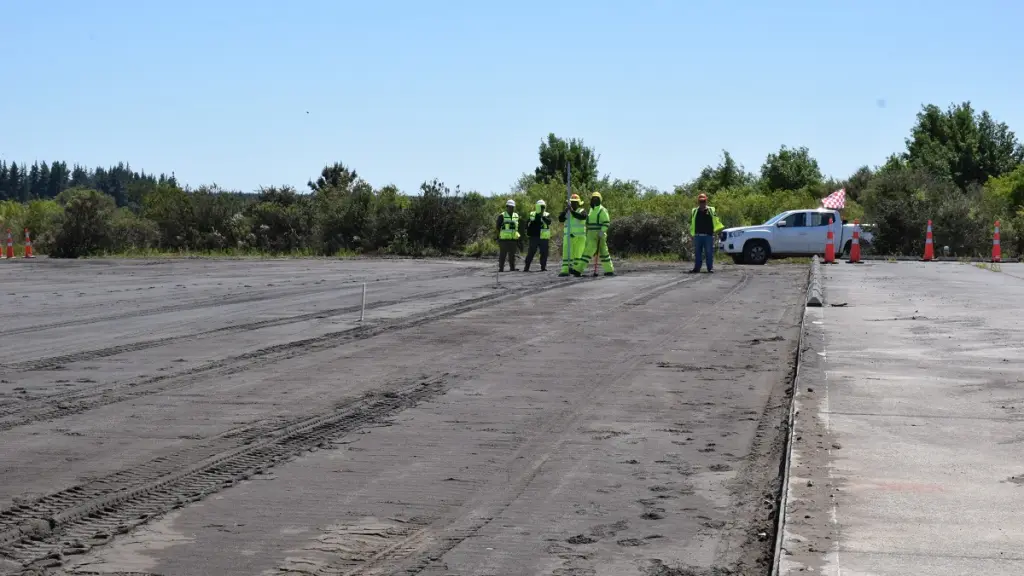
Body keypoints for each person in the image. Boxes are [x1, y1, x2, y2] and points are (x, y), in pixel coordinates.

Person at [574, 191, 614, 277]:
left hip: (599, 235)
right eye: (593, 199)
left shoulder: (602, 210)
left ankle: (578, 270)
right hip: (590, 234)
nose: (595, 200)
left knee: (596, 252)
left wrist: (601, 232)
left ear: (600, 200)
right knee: (599, 252)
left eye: (597, 199)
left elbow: (606, 222)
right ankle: (609, 270)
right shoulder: (591, 210)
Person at [689, 193, 724, 273]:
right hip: (697, 235)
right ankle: (697, 268)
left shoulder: (711, 210)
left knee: (709, 252)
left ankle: (710, 268)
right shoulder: (694, 211)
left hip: (708, 235)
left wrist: (718, 231)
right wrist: (691, 234)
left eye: (703, 201)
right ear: (698, 202)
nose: (702, 203)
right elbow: (692, 223)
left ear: (706, 201)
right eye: (701, 201)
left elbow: (716, 221)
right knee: (697, 253)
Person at [558, 194, 587, 277]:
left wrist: (572, 211)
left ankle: (576, 270)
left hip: (579, 237)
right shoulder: (568, 212)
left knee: (578, 255)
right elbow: (560, 219)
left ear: (579, 203)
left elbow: (582, 217)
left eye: (575, 202)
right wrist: (566, 211)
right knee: (567, 254)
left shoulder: (582, 210)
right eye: (572, 202)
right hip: (568, 236)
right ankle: (565, 270)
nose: (573, 204)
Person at [523, 199, 552, 272]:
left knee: (544, 252)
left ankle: (543, 267)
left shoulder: (547, 214)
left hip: (544, 237)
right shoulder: (532, 214)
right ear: (537, 207)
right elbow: (526, 225)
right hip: (534, 237)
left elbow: (549, 222)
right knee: (531, 252)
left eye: (543, 207)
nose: (542, 208)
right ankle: (526, 267)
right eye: (540, 206)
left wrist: (542, 216)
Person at [496, 199, 520, 272]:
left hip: (513, 239)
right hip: (504, 239)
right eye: (510, 207)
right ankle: (501, 268)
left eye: (512, 207)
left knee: (512, 255)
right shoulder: (502, 215)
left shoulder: (516, 215)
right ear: (507, 207)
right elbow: (497, 226)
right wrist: (500, 235)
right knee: (503, 254)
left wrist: (517, 236)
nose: (511, 208)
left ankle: (512, 268)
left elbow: (517, 227)